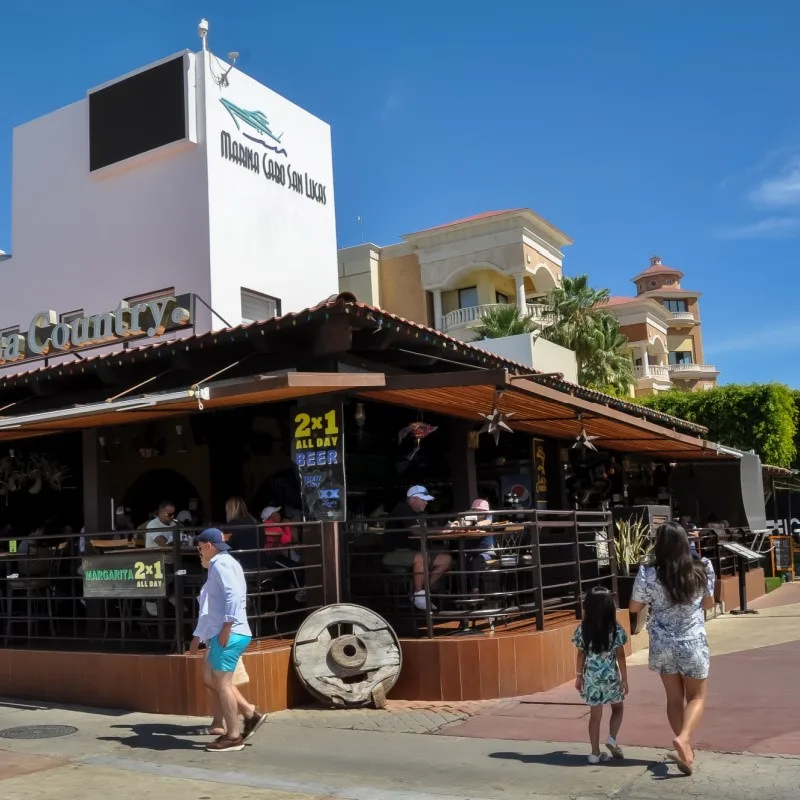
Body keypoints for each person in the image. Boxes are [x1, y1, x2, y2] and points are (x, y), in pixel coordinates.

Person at [629, 521, 716, 775]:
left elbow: (634, 607)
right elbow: (709, 604)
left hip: (662, 642)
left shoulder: (648, 573)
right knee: (697, 697)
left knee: (673, 698)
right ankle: (684, 738)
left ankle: (685, 751)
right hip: (692, 641)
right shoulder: (703, 568)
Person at [191, 528, 262, 752]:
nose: (199, 552)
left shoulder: (220, 564)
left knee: (222, 684)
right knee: (218, 681)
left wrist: (227, 626)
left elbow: (233, 595)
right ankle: (247, 718)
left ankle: (233, 735)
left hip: (230, 632)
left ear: (209, 546)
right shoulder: (223, 563)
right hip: (227, 632)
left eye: (200, 547)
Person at [573, 586, 628, 764]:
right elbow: (620, 655)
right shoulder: (616, 629)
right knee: (618, 708)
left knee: (595, 716)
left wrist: (578, 675)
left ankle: (594, 753)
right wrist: (625, 679)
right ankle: (612, 738)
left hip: (591, 677)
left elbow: (581, 654)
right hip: (611, 676)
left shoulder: (583, 629)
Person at [382, 486, 452, 612]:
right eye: (423, 499)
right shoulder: (402, 508)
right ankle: (419, 593)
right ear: (413, 499)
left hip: (413, 553)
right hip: (394, 553)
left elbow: (431, 528)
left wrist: (445, 526)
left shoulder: (420, 513)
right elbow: (416, 531)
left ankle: (421, 593)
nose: (426, 502)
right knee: (421, 557)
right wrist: (442, 529)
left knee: (446, 559)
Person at [459, 499, 496, 593]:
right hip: (473, 551)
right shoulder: (470, 516)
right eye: (476, 510)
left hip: (487, 552)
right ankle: (463, 592)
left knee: (476, 562)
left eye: (481, 511)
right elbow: (465, 523)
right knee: (463, 563)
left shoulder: (488, 516)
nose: (479, 513)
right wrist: (466, 523)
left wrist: (478, 524)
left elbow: (488, 521)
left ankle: (475, 590)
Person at [224, 497, 262, 571]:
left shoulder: (232, 525)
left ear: (230, 510)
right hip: (260, 562)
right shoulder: (256, 522)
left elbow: (225, 545)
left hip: (240, 564)